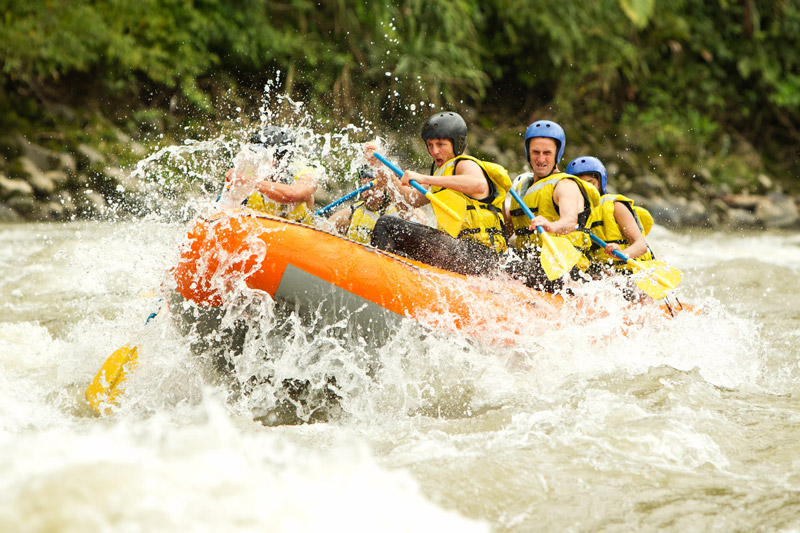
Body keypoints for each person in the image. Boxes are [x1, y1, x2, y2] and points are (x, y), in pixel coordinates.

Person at [369, 111, 511, 276]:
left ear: (457, 144)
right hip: (462, 252)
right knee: (399, 241)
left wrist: (425, 178)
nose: (434, 151)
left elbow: (478, 185)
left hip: (480, 255)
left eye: (441, 144)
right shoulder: (442, 174)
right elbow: (407, 201)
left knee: (387, 225)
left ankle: (376, 277)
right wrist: (382, 169)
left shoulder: (464, 164)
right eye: (430, 145)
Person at [503, 120, 600, 292]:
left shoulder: (564, 185)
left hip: (563, 268)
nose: (541, 159)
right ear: (528, 153)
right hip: (529, 261)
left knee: (509, 269)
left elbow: (570, 221)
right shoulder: (522, 191)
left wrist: (551, 226)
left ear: (557, 154)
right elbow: (507, 231)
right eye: (535, 152)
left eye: (547, 153)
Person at [566, 156, 654, 276]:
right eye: (580, 186)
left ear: (600, 183)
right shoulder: (573, 215)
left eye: (590, 184)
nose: (586, 189)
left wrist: (622, 253)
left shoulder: (616, 206)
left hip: (630, 273)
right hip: (601, 276)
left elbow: (640, 245)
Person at [224, 126, 319, 225]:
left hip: (300, 236)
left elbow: (291, 195)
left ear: (280, 159)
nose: (256, 159)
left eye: (262, 154)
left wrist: (249, 182)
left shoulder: (306, 174)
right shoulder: (249, 173)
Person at [327, 165, 410, 244]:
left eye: (372, 189)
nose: (366, 194)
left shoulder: (404, 213)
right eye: (364, 188)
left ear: (387, 188)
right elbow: (324, 231)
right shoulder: (349, 214)